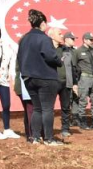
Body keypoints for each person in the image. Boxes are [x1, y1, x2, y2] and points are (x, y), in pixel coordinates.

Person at [17, 10, 63, 145]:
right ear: (42, 23)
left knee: (37, 108)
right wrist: (59, 60)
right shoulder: (44, 38)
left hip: (28, 78)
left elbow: (19, 58)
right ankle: (49, 138)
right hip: (46, 77)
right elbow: (50, 56)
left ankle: (36, 137)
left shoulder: (24, 39)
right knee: (47, 108)